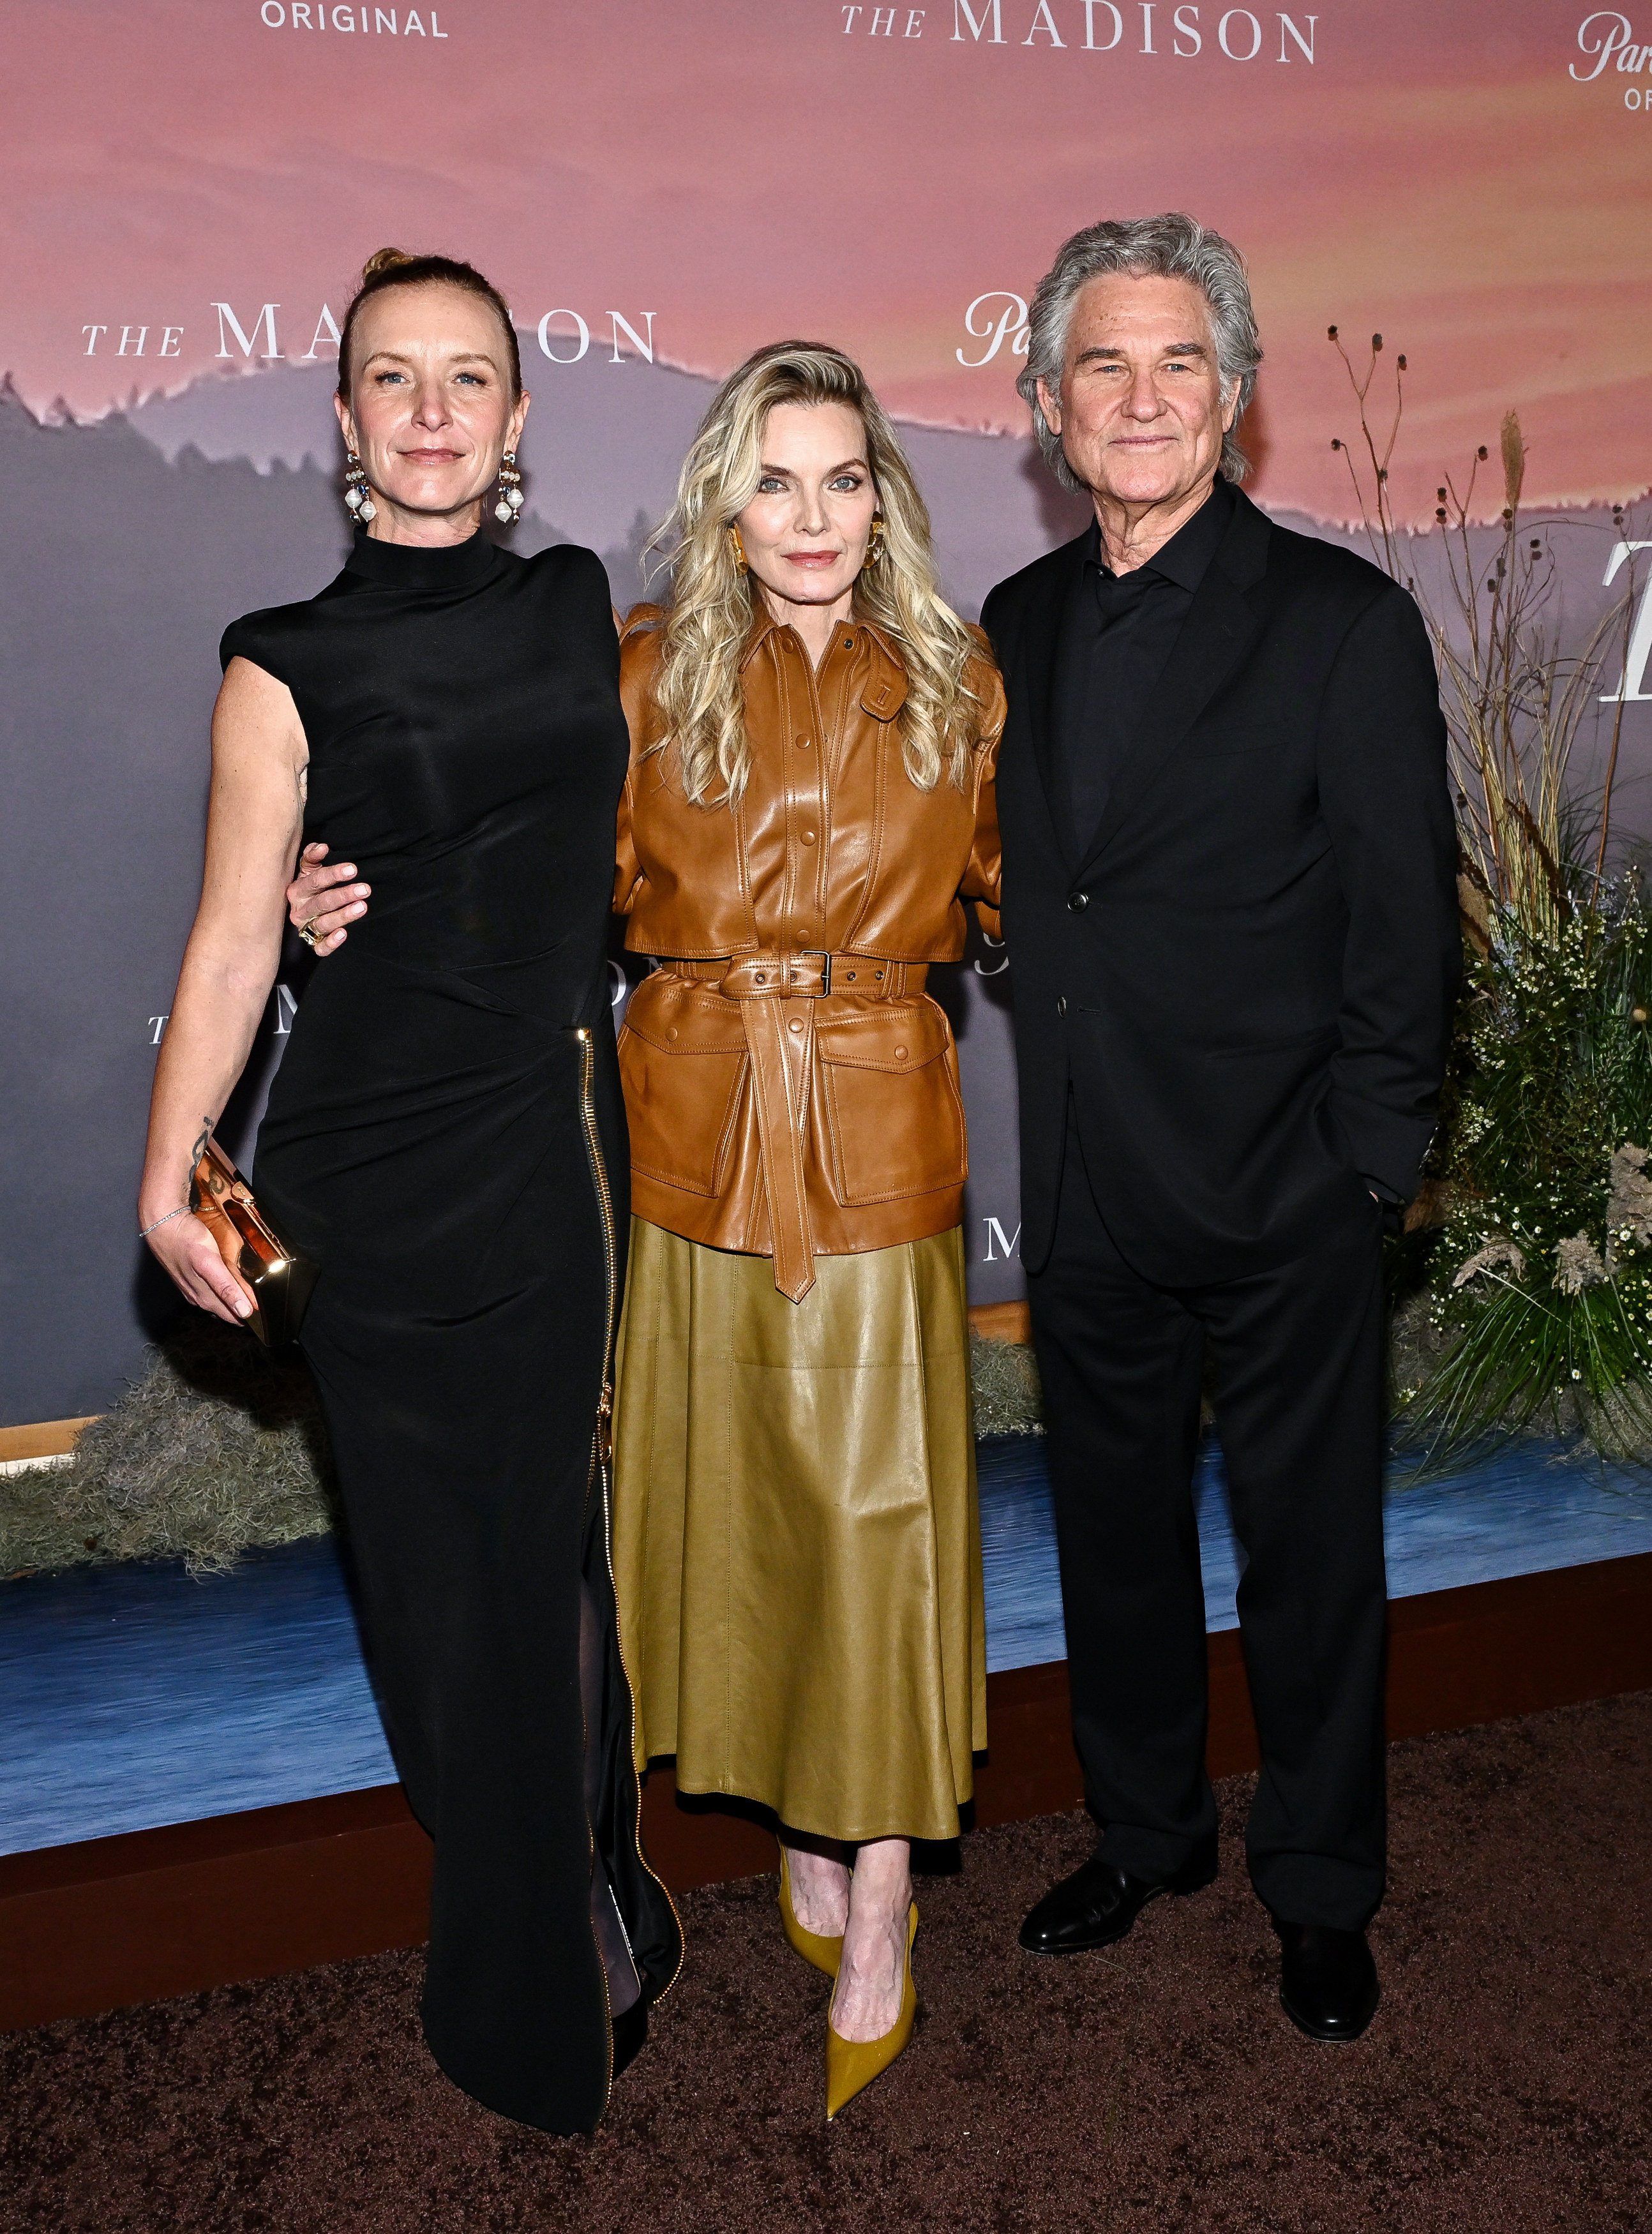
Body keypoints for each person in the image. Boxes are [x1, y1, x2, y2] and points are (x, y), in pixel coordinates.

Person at [290, 340, 1007, 2118]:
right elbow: (517, 877)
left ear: (884, 503)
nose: (811, 515)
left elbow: (1031, 895)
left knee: (882, 1529)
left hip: (880, 1142)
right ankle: (803, 1824)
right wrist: (338, 897)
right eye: (774, 478)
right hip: (680, 1149)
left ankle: (883, 1897)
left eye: (844, 478)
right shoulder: (637, 673)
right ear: (723, 501)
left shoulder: (960, 677)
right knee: (730, 1520)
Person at [139, 248, 680, 2136]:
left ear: (517, 418)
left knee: (544, 1569)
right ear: (347, 420)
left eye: (468, 376)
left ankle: (563, 1933)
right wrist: (168, 1176)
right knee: (437, 1600)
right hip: (365, 1181)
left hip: (540, 1162)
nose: (433, 409)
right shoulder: (279, 659)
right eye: (394, 375)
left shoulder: (575, 600)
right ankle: (559, 1892)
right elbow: (232, 934)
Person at [981, 214, 1459, 2043]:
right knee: (1113, 1544)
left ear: (1237, 394)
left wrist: (1367, 1170)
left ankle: (1322, 1887)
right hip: (1086, 1186)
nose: (1139, 396)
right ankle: (1147, 1831)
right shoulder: (1012, 627)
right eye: (1100, 363)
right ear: (1046, 404)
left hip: (1286, 1194)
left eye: (1177, 360)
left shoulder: (1343, 623)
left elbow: (1405, 931)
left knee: (1310, 1565)